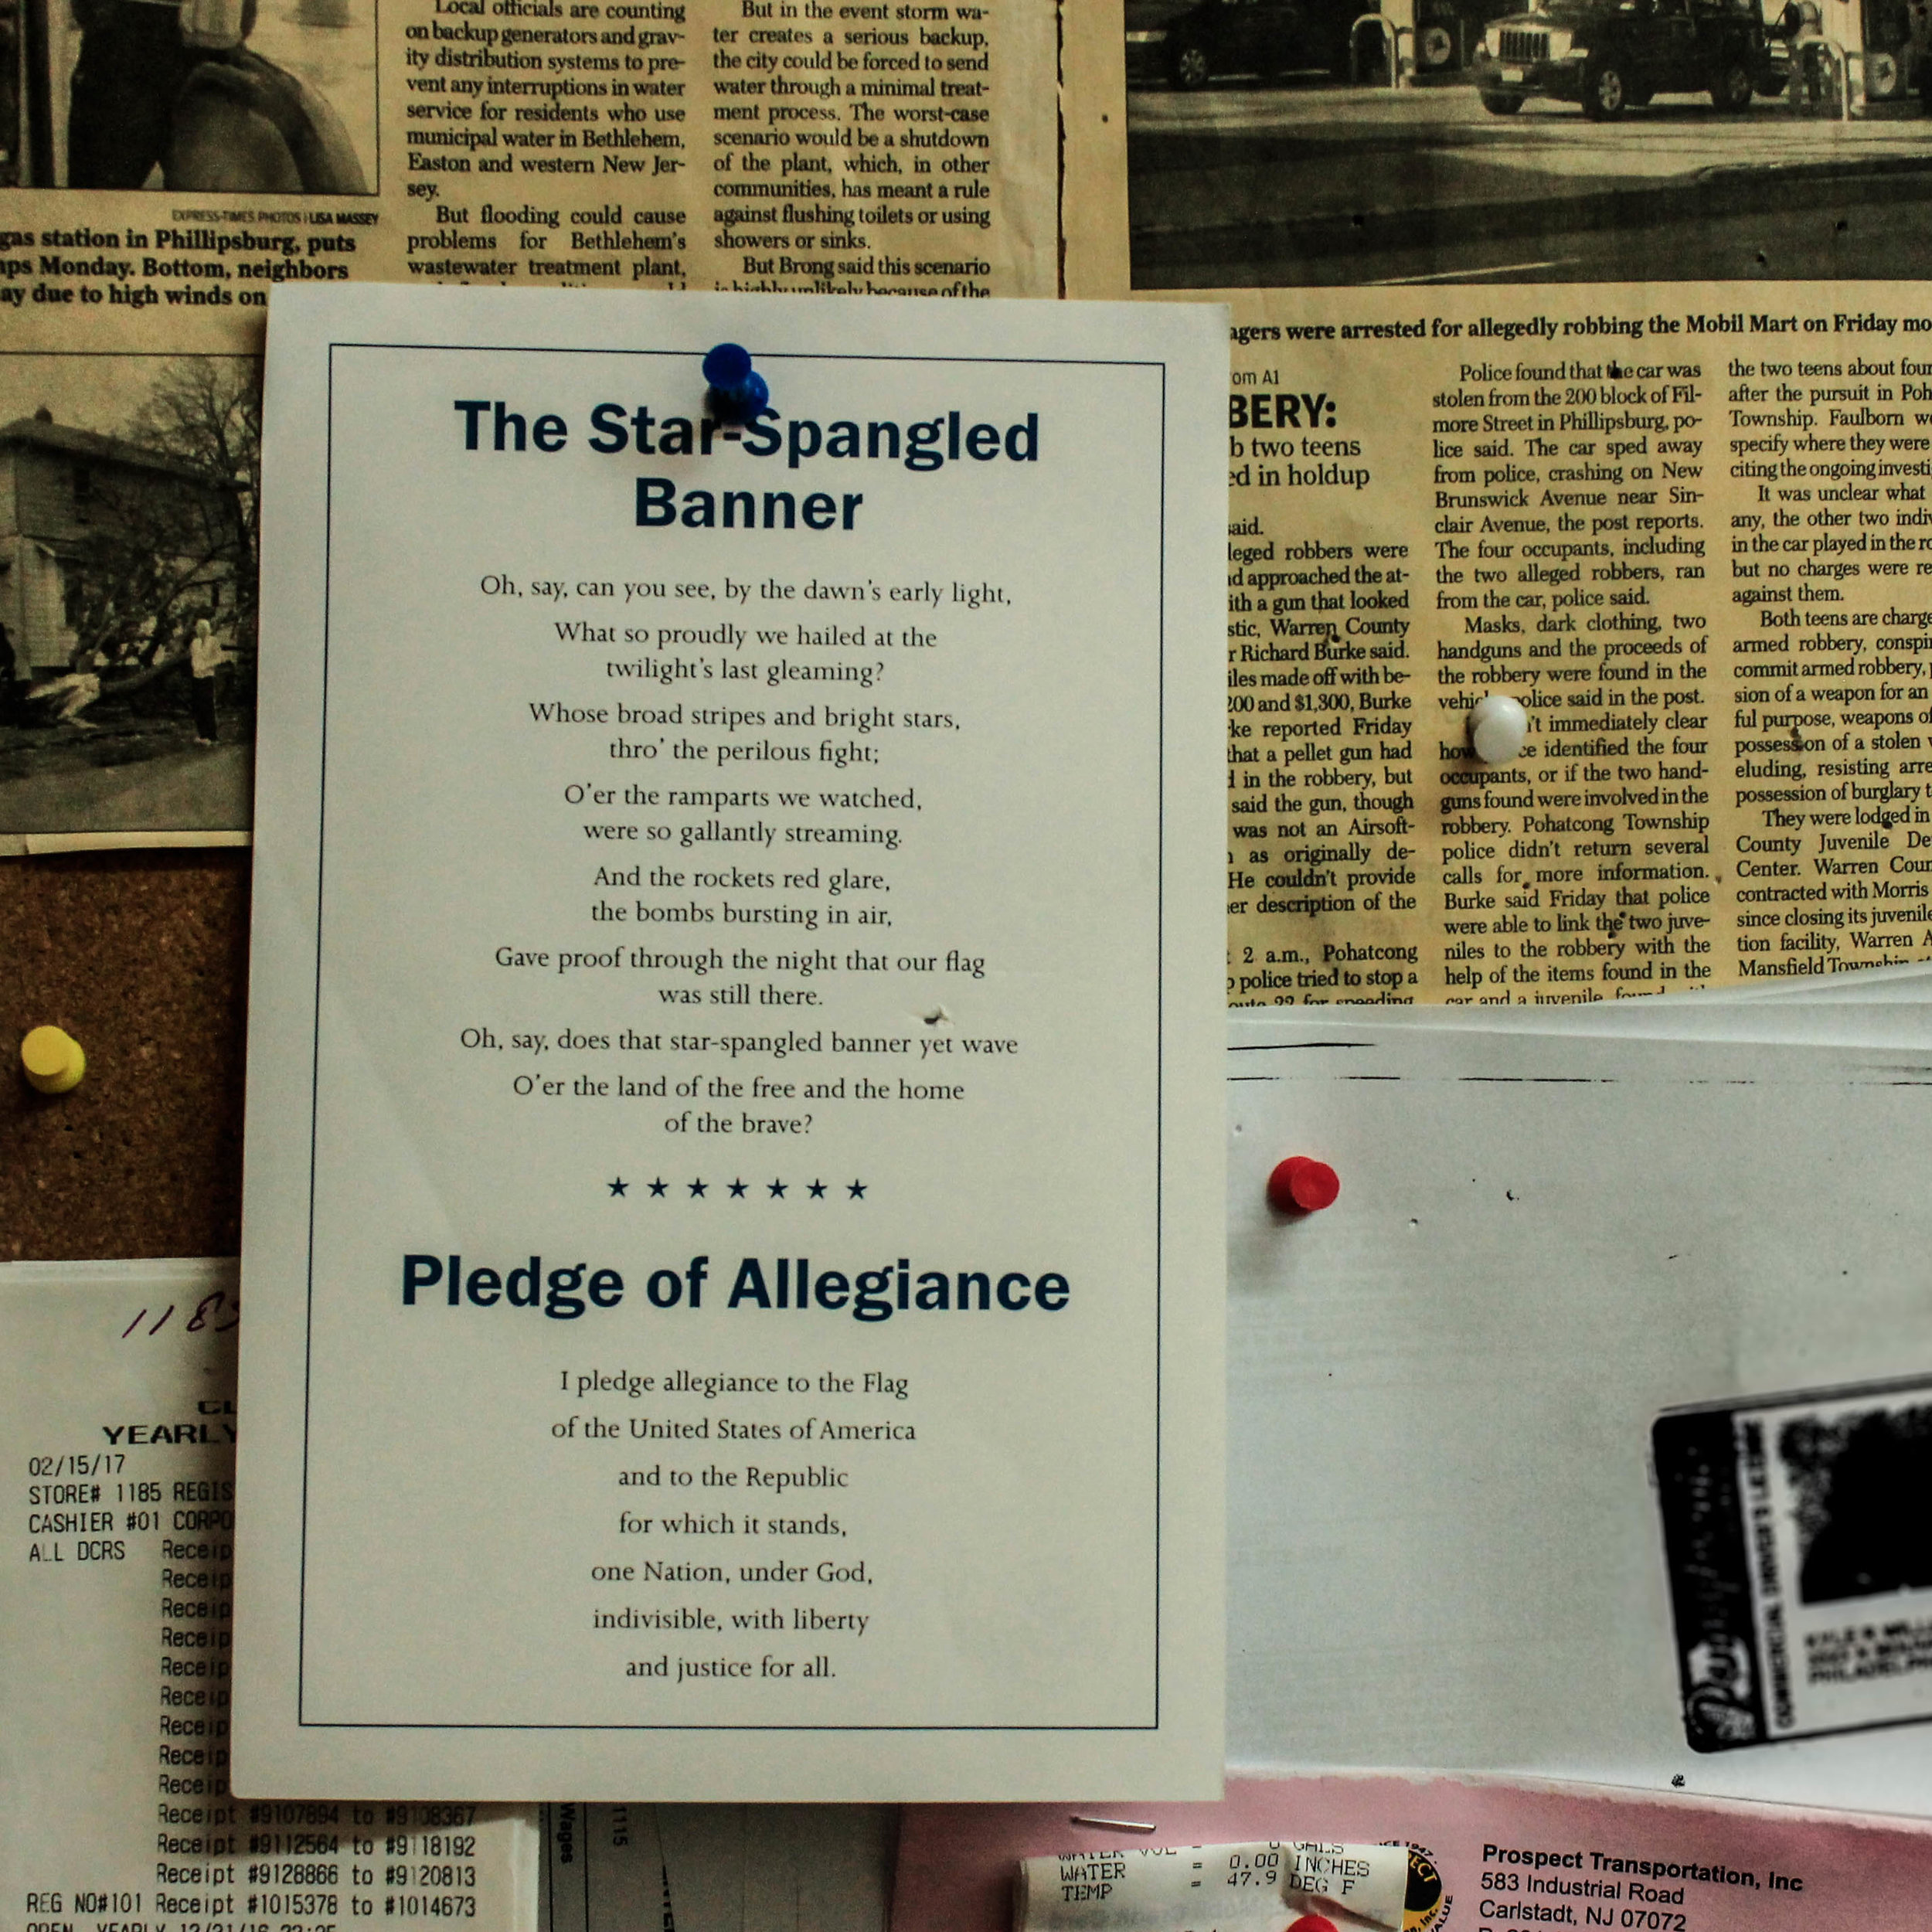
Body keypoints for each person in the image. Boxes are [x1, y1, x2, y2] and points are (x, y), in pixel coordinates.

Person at [189, 617, 232, 745]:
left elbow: (220, 658)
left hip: (208, 676)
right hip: (197, 676)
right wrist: (197, 668)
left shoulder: (213, 641)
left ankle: (212, 736)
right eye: (198, 628)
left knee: (208, 705)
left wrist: (207, 665)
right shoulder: (194, 643)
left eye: (202, 628)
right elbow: (194, 659)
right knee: (198, 706)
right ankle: (203, 735)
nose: (199, 631)